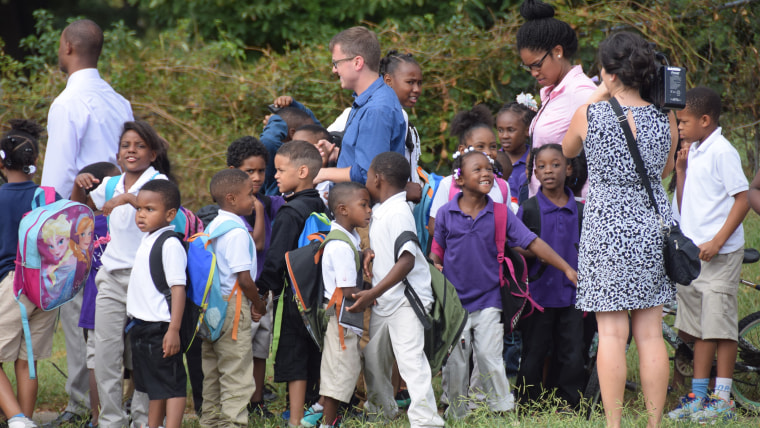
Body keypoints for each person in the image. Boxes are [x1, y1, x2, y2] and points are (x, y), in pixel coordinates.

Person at [562, 31, 678, 428]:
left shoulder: (589, 115)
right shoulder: (666, 116)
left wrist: (599, 93)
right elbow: (663, 171)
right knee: (650, 333)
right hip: (650, 224)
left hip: (606, 226)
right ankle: (653, 424)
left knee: (610, 334)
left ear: (609, 74)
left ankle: (613, 425)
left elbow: (567, 151)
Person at [41, 19, 134, 428]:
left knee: (78, 311)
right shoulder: (120, 101)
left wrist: (41, 227)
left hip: (77, 219)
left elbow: (58, 176)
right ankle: (117, 398)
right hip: (119, 216)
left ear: (67, 47)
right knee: (113, 308)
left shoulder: (67, 103)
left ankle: (82, 402)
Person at [70, 121, 174, 428]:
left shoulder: (160, 180)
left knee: (143, 352)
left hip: (147, 279)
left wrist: (129, 199)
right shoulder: (110, 185)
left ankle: (142, 418)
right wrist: (79, 184)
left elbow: (157, 209)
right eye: (126, 145)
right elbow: (78, 213)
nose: (132, 150)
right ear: (118, 153)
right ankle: (111, 420)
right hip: (112, 277)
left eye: (140, 145)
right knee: (105, 351)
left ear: (153, 153)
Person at [667, 87, 750, 423]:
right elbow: (686, 207)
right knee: (699, 328)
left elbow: (742, 200)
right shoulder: (696, 151)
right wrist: (682, 171)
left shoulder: (722, 152)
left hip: (719, 255)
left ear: (705, 120)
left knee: (721, 327)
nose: (679, 127)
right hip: (694, 256)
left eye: (683, 121)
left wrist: (717, 241)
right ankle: (698, 396)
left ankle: (723, 397)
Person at [348, 151, 444, 428]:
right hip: (385, 300)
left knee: (410, 361)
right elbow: (387, 249)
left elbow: (407, 259)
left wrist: (372, 292)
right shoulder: (381, 210)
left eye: (367, 175)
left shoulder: (400, 211)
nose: (366, 180)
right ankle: (381, 409)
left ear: (377, 178)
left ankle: (426, 420)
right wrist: (368, 252)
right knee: (375, 358)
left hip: (406, 301)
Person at [257, 141, 327, 427]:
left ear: (301, 171)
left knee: (294, 352)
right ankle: (314, 410)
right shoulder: (320, 205)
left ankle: (295, 419)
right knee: (315, 352)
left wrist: (262, 291)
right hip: (321, 292)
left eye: (280, 170)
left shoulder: (291, 212)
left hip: (297, 294)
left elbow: (277, 260)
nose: (275, 176)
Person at [515, 144, 584, 408]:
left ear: (568, 169)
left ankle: (570, 403)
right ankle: (527, 401)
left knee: (572, 352)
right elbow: (516, 243)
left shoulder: (579, 210)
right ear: (534, 171)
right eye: (541, 166)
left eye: (555, 164)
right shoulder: (529, 208)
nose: (548, 171)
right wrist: (532, 251)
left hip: (572, 294)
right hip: (538, 294)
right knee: (534, 350)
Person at [0, 120, 59, 428]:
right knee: (28, 361)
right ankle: (25, 420)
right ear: (35, 161)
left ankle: (17, 418)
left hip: (12, 285)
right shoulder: (50, 197)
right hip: (49, 288)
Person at [200, 169, 267, 428]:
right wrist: (258, 304)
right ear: (231, 198)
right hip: (232, 308)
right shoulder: (237, 232)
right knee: (237, 373)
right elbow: (245, 280)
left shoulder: (214, 225)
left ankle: (211, 421)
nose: (254, 200)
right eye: (249, 195)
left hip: (211, 308)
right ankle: (233, 423)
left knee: (213, 371)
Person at [516, 0, 596, 199]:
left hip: (572, 210)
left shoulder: (581, 93)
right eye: (528, 68)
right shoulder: (554, 92)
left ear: (558, 51)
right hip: (544, 206)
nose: (533, 73)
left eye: (537, 65)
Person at [125, 180, 187, 428]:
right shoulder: (149, 238)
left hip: (161, 327)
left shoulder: (169, 243)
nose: (141, 214)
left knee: (171, 384)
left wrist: (173, 330)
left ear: (170, 214)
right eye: (139, 208)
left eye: (150, 209)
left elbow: (178, 288)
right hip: (141, 326)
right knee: (153, 384)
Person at [314, 27, 406, 185]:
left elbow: (368, 174)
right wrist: (339, 154)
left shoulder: (376, 109)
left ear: (357, 63)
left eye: (336, 63)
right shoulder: (369, 100)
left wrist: (323, 173)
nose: (334, 70)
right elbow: (366, 157)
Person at [318, 182, 372, 428]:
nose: (369, 210)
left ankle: (325, 417)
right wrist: (375, 294)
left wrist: (365, 254)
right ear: (343, 209)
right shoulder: (339, 245)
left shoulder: (347, 236)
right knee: (339, 373)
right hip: (342, 319)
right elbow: (349, 291)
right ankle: (327, 423)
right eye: (363, 205)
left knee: (342, 370)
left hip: (344, 317)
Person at [75, 161, 120, 427]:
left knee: (97, 362)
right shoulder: (130, 221)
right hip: (126, 304)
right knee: (131, 361)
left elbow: (72, 211)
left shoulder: (86, 224)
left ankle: (97, 417)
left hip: (95, 305)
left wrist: (76, 188)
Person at [428, 105, 510, 234]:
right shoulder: (448, 185)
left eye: (493, 146)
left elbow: (509, 227)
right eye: (480, 146)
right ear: (462, 150)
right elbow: (434, 227)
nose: (488, 152)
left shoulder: (502, 187)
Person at [380, 50, 424, 203]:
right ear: (388, 81)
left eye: (419, 83)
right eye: (410, 82)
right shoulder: (379, 113)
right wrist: (403, 189)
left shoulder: (403, 117)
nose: (417, 89)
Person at [261, 106, 319, 195]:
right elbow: (267, 140)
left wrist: (294, 104)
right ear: (293, 133)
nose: (277, 175)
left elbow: (321, 133)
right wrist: (274, 119)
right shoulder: (280, 156)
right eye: (280, 170)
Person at [496, 94, 537, 203]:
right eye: (500, 130)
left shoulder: (534, 161)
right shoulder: (492, 160)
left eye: (511, 130)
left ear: (527, 130)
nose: (504, 136)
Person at [292, 125, 336, 207]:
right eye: (293, 146)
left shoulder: (335, 178)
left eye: (302, 147)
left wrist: (319, 166)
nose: (295, 152)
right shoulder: (291, 176)